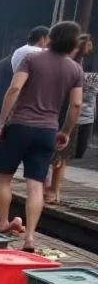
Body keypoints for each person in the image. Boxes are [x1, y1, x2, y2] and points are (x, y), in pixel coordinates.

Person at [0, 20, 84, 252]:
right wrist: (66, 131)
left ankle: (2, 223)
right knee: (36, 186)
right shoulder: (75, 69)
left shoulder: (31, 59)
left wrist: (1, 123)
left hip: (19, 126)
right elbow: (76, 104)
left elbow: (14, 89)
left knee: (5, 178)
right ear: (74, 44)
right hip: (47, 131)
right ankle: (30, 237)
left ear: (50, 38)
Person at [46, 34, 94, 204]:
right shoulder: (71, 65)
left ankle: (54, 189)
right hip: (64, 113)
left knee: (62, 156)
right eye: (89, 44)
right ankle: (51, 189)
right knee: (58, 155)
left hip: (78, 114)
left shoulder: (83, 65)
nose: (91, 48)